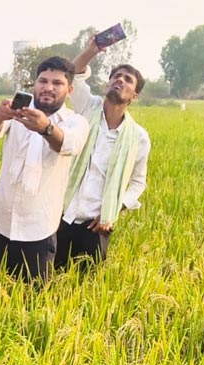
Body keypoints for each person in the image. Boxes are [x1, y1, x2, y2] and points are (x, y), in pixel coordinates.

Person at [0, 56, 89, 280]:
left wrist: (45, 128)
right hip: (0, 222)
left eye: (57, 83)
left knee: (30, 300)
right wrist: (0, 114)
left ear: (69, 90)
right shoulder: (19, 112)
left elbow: (69, 144)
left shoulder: (74, 121)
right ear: (35, 84)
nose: (48, 87)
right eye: (43, 81)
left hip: (38, 230)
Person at [56, 34, 151, 271]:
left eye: (127, 80)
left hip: (96, 225)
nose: (120, 80)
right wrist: (91, 50)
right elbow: (72, 76)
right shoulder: (87, 107)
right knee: (47, 280)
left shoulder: (138, 137)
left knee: (85, 288)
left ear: (134, 96)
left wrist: (114, 209)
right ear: (107, 84)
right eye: (116, 76)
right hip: (60, 214)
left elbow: (138, 183)